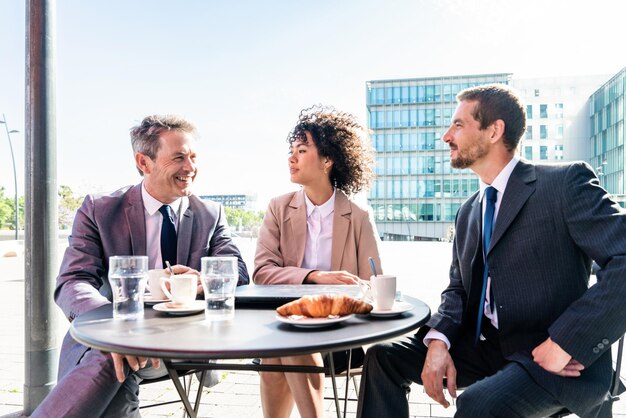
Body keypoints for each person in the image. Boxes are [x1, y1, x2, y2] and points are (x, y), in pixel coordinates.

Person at [356, 84, 626, 418]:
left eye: (458, 125)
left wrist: (566, 342)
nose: (445, 136)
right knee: (383, 355)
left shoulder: (564, 184)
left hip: (551, 357)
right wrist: (439, 340)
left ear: (494, 130)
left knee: (477, 405)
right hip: (488, 348)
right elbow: (458, 289)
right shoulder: (469, 211)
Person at [31, 114, 250, 418]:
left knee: (114, 358)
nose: (190, 168)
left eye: (193, 157)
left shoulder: (210, 213)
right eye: (179, 158)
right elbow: (73, 281)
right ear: (144, 162)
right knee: (116, 354)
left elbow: (237, 269)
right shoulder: (99, 208)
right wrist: (116, 327)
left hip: (189, 337)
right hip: (119, 331)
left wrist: (206, 279)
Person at [254, 105, 382, 418]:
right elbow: (261, 272)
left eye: (302, 150)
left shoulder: (359, 218)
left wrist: (338, 300)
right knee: (285, 342)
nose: (292, 158)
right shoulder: (278, 208)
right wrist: (314, 277)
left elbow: (373, 284)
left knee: (285, 346)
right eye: (291, 150)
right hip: (284, 323)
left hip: (340, 334)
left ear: (327, 160)